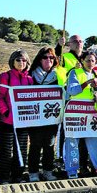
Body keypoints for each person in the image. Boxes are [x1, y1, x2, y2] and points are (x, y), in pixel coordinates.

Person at [65, 51, 97, 178]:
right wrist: (86, 83)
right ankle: (72, 171)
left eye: (93, 61)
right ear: (82, 61)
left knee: (94, 143)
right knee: (72, 143)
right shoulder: (75, 72)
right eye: (87, 60)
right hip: (75, 113)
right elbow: (71, 90)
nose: (90, 63)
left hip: (91, 113)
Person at [28, 47, 65, 182]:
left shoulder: (59, 74)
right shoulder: (31, 74)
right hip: (35, 116)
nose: (48, 60)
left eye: (51, 57)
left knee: (49, 145)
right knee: (35, 144)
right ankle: (33, 172)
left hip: (52, 116)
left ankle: (48, 171)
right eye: (45, 57)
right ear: (39, 59)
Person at [0, 49, 33, 184]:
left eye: (24, 60)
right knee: (6, 150)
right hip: (7, 121)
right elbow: (0, 96)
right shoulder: (5, 76)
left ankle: (18, 176)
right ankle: (4, 177)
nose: (21, 62)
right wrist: (5, 112)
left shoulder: (30, 79)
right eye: (18, 60)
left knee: (21, 149)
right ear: (12, 61)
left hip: (23, 121)